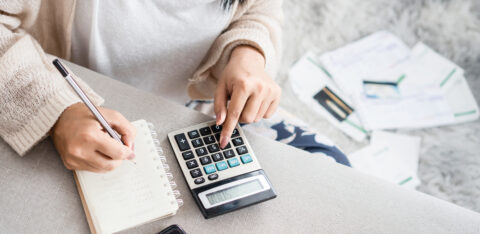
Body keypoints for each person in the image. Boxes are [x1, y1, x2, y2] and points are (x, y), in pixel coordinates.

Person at [0, 0, 349, 173]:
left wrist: (248, 52)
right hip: (60, 102)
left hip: (190, 108)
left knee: (330, 169)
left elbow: (259, 9)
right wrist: (59, 113)